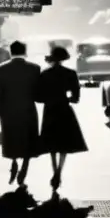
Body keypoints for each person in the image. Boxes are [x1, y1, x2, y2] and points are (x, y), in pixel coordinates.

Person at [0, 40, 43, 187]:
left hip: (8, 110)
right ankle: (24, 166)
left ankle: (13, 162)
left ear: (11, 52)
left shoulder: (2, 69)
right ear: (25, 52)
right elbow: (39, 94)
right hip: (27, 109)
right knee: (28, 139)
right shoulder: (34, 69)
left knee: (11, 137)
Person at [37, 45, 87, 193]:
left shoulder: (45, 74)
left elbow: (38, 96)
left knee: (52, 144)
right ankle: (59, 170)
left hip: (50, 109)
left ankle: (54, 171)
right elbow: (76, 97)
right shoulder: (70, 73)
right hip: (64, 109)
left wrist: (48, 98)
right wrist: (68, 98)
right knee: (64, 143)